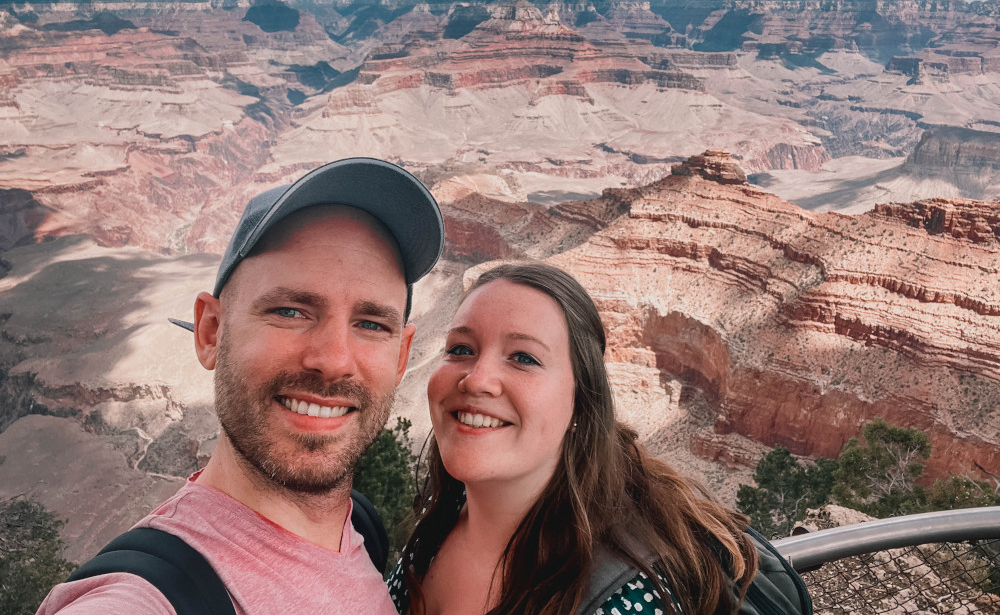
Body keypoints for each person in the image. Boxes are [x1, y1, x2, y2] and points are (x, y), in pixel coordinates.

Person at [38, 157, 445, 615]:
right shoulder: (147, 598)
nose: (333, 361)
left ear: (402, 357)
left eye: (371, 323)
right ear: (211, 332)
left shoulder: (363, 531)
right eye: (290, 311)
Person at [388, 262, 759, 615]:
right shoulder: (438, 524)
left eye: (523, 357)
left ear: (581, 404)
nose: (477, 379)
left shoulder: (625, 600)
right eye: (461, 349)